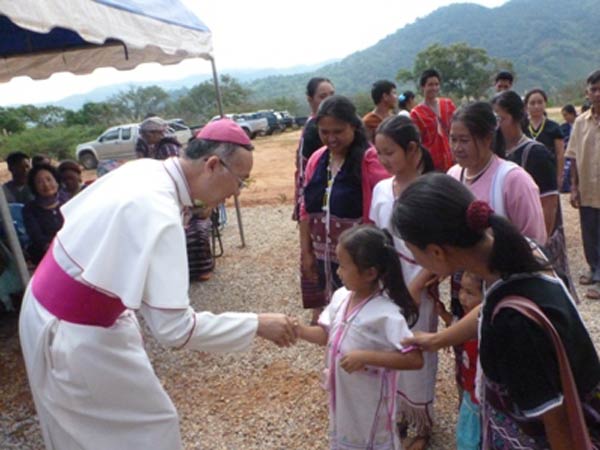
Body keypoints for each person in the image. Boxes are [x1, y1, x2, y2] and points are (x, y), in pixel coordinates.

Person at [18, 118, 297, 450]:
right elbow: (175, 329)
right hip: (76, 336)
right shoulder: (159, 210)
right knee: (146, 431)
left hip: (48, 307)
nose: (237, 192)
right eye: (240, 181)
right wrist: (256, 324)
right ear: (212, 165)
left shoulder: (145, 169)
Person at [393, 173, 600, 449]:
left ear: (436, 252)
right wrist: (437, 340)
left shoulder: (512, 326)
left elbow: (556, 420)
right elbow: (489, 307)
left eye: (412, 252)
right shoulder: (519, 254)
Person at [295, 225, 423, 450]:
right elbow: (326, 334)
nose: (338, 272)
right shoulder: (341, 297)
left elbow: (414, 359)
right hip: (345, 397)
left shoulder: (386, 314)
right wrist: (298, 330)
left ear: (370, 273)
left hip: (370, 402)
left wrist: (366, 357)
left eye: (343, 266)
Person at [370, 115, 437, 450]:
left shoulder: (429, 191)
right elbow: (376, 234)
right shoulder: (382, 188)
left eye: (390, 153)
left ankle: (422, 422)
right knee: (388, 346)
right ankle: (397, 411)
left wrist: (417, 286)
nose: (384, 160)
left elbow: (441, 251)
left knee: (415, 347)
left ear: (412, 150)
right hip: (387, 280)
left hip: (418, 281)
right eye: (379, 153)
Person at [299, 95, 389, 324]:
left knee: (357, 317)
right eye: (324, 132)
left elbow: (381, 212)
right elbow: (305, 209)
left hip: (356, 261)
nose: (331, 138)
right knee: (328, 318)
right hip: (323, 258)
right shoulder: (317, 160)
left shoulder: (370, 161)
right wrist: (306, 252)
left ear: (353, 126)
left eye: (338, 131)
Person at [493, 91, 578, 301]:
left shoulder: (535, 153)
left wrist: (539, 247)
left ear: (516, 117)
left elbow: (549, 204)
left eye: (500, 119)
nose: (496, 126)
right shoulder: (498, 153)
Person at [566, 69, 600, 299]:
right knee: (589, 231)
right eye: (594, 89)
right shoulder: (580, 122)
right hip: (588, 188)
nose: (598, 94)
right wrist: (574, 187)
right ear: (587, 93)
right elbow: (574, 157)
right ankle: (594, 268)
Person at [292, 77, 335, 221]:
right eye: (323, 96)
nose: (329, 100)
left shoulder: (315, 123)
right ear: (310, 100)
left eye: (332, 95)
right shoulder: (315, 128)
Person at [410, 69, 456, 172]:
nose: (434, 88)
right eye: (430, 85)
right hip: (431, 164)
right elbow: (417, 141)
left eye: (437, 84)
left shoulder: (448, 105)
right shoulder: (416, 113)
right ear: (423, 87)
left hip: (452, 160)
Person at [22, 163, 64, 266]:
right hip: (45, 256)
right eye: (40, 182)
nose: (46, 185)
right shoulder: (30, 209)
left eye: (49, 179)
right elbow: (37, 237)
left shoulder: (68, 202)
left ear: (56, 181)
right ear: (34, 187)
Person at [523, 88, 565, 187]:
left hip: (549, 174)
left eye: (540, 102)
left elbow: (560, 154)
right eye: (532, 103)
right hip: (526, 175)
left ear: (545, 104)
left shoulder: (554, 127)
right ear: (526, 106)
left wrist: (559, 176)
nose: (536, 106)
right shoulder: (522, 127)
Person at [560, 104, 577, 193]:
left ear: (572, 114)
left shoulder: (581, 124)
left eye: (566, 115)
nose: (565, 118)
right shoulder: (563, 127)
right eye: (563, 116)